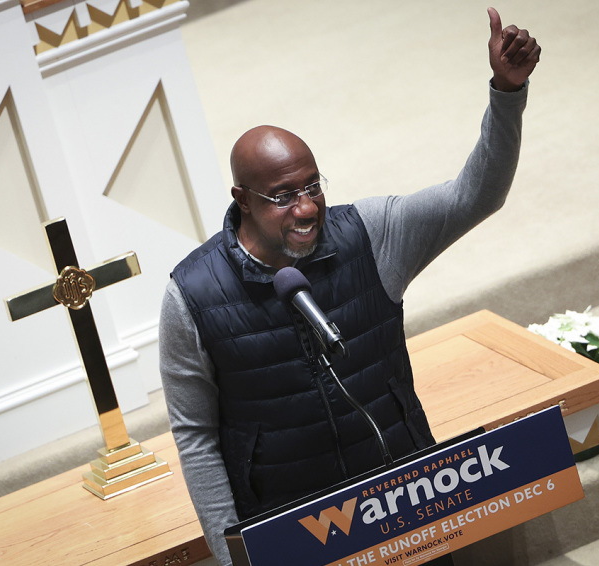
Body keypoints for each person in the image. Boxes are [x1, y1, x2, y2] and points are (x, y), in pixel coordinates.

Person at [160, 7, 540, 565]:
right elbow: (196, 437)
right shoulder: (192, 295)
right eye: (283, 196)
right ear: (243, 200)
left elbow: (475, 195)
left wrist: (506, 94)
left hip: (403, 508)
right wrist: (231, 555)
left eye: (313, 186)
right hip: (296, 533)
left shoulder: (372, 232)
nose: (306, 207)